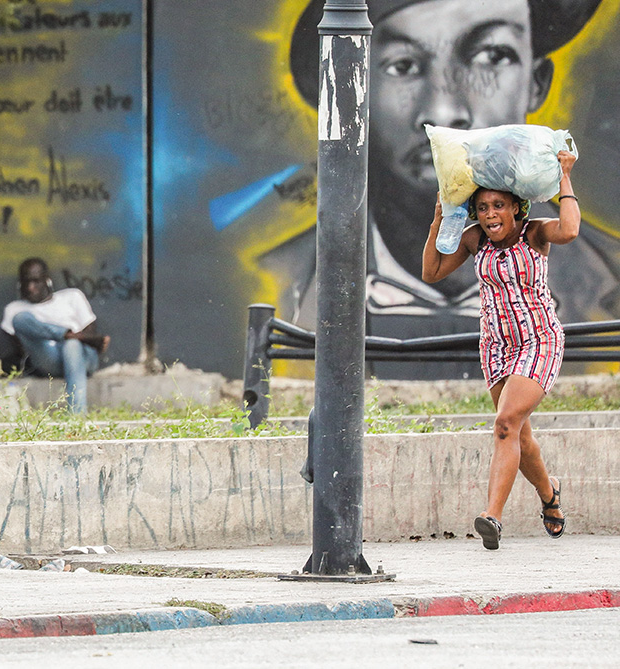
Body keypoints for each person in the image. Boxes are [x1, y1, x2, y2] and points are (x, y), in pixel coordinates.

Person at [261, 0, 620, 378]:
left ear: (536, 83)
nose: (444, 111)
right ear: (356, 91)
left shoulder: (606, 279)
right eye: (402, 66)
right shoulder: (274, 283)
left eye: (491, 56)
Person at [421, 151, 576, 550]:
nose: (490, 215)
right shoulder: (474, 239)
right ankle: (549, 494)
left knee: (505, 423)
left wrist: (564, 177)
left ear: (516, 209)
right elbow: (432, 272)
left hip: (539, 339)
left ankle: (493, 516)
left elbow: (571, 229)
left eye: (499, 206)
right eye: (483, 207)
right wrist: (440, 218)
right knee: (518, 435)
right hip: (495, 346)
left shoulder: (536, 233)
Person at [0, 258, 110, 414]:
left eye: (36, 281)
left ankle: (76, 414)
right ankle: (67, 335)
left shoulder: (72, 297)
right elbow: (19, 348)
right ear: (20, 284)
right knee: (20, 318)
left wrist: (70, 340)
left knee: (72, 345)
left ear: (47, 280)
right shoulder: (14, 308)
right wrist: (65, 335)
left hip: (82, 359)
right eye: (26, 282)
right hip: (48, 359)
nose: (31, 288)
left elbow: (89, 333)